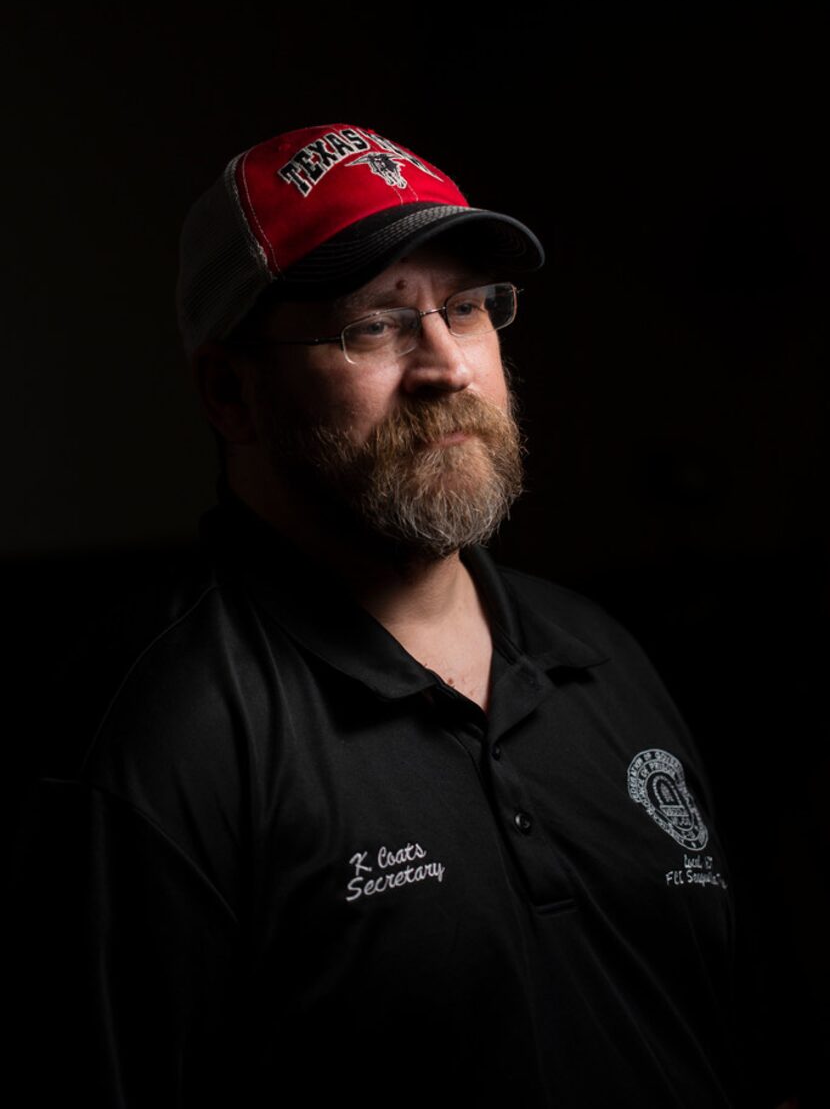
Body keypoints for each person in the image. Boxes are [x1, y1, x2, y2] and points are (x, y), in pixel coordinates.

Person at [22, 124, 743, 1106]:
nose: (444, 364)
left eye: (467, 307)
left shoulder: (602, 657)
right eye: (374, 323)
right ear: (230, 392)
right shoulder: (164, 740)